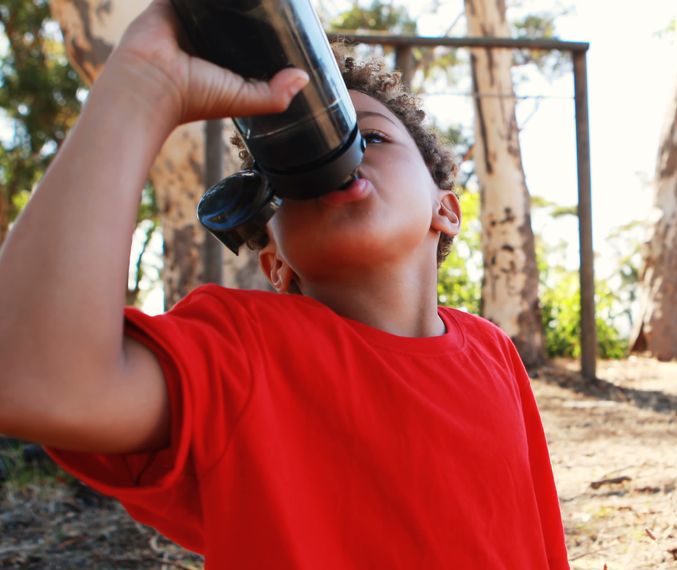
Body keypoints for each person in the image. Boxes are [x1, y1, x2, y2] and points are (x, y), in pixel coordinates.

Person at [0, 1, 569, 567]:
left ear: (444, 210)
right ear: (274, 262)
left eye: (368, 138)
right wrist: (140, 85)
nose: (338, 158)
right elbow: (31, 376)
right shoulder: (241, 351)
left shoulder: (493, 352)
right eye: (285, 171)